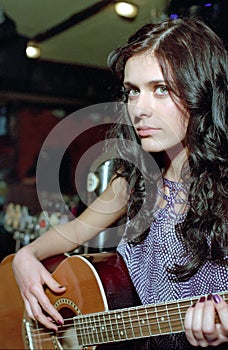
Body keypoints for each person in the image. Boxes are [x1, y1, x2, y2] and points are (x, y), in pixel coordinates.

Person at [12, 17, 227, 349]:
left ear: (201, 90)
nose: (139, 109)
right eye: (132, 92)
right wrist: (26, 256)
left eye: (161, 89)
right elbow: (72, 232)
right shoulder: (134, 182)